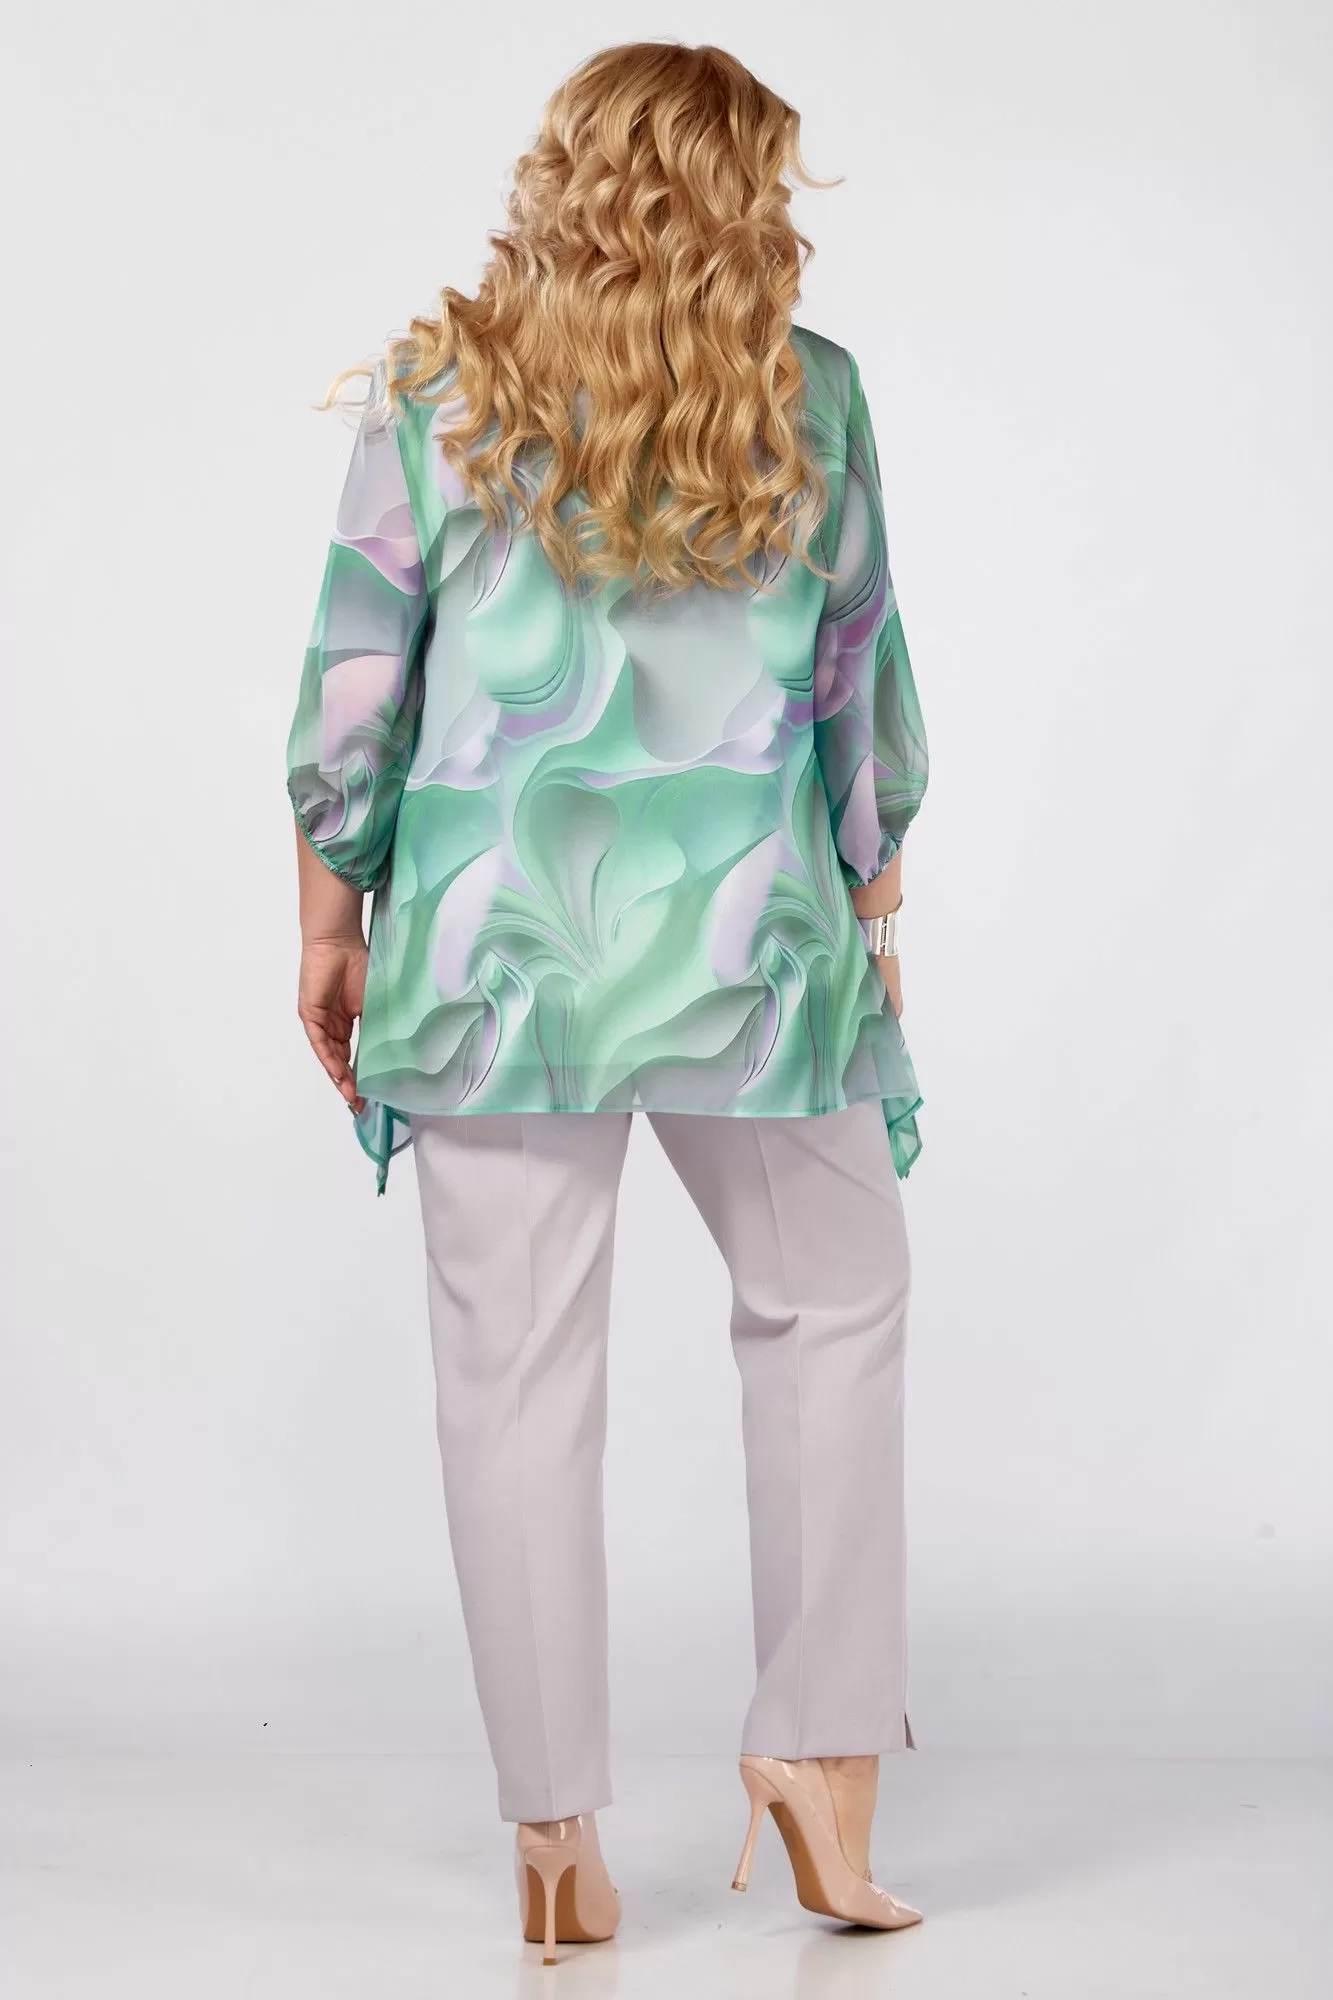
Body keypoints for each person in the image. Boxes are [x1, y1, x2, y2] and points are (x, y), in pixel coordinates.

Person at [286, 40, 929, 1965]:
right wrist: (877, 917)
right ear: (749, 198)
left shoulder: (434, 399)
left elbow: (351, 699)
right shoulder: (813, 399)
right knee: (833, 1312)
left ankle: (555, 1836)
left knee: (509, 1376)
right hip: (759, 955)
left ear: (561, 178)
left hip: (492, 957)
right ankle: (820, 1764)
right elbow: (860, 699)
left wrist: (329, 924)